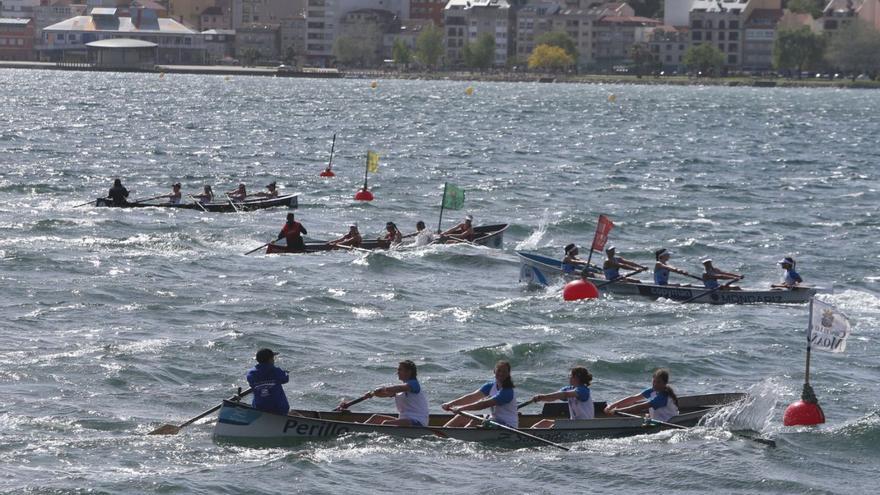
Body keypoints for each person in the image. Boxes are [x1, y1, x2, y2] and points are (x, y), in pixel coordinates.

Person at [441, 361, 517, 428]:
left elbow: (483, 405)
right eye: (499, 370)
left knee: (475, 422)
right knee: (461, 417)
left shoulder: (507, 391)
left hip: (508, 425)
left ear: (508, 374)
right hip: (494, 420)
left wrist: (460, 408)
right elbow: (471, 397)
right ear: (494, 371)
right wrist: (450, 404)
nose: (501, 373)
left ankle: (464, 438)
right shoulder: (490, 386)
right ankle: (441, 434)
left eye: (504, 371)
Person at [360, 360, 429, 427]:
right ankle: (359, 428)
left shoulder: (414, 384)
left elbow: (399, 388)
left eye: (400, 370)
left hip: (418, 421)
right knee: (375, 418)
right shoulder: (401, 389)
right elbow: (385, 394)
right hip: (405, 420)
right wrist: (372, 394)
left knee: (386, 423)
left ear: (408, 372)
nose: (397, 372)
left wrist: (383, 388)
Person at [604, 368, 680, 423]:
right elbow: (633, 398)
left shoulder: (663, 396)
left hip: (669, 421)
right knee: (633, 404)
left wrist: (618, 410)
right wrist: (611, 406)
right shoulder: (652, 390)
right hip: (658, 421)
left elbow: (641, 406)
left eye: (659, 382)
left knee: (636, 408)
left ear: (664, 383)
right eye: (654, 381)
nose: (655, 384)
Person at [530, 366, 595, 428]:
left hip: (585, 424)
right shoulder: (569, 389)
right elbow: (554, 397)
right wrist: (541, 398)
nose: (569, 378)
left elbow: (565, 394)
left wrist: (543, 396)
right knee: (544, 422)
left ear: (576, 377)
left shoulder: (583, 390)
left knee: (553, 427)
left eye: (570, 376)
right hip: (574, 423)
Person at [246, 348, 290, 415]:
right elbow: (285, 379)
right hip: (279, 409)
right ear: (270, 360)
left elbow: (252, 383)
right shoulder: (276, 371)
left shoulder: (250, 373)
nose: (274, 360)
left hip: (259, 407)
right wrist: (285, 373)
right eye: (273, 358)